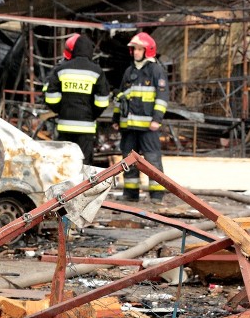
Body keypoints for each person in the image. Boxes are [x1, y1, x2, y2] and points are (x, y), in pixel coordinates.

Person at [112, 32, 169, 203]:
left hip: (147, 127)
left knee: (152, 161)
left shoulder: (156, 70)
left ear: (147, 51)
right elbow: (120, 98)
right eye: (134, 49)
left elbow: (162, 98)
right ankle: (130, 194)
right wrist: (116, 119)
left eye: (139, 49)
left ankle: (157, 195)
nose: (136, 52)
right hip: (128, 127)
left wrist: (157, 119)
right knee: (128, 161)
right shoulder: (129, 71)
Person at [42, 33, 110, 164]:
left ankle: (66, 185)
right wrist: (92, 114)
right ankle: (81, 185)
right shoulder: (96, 71)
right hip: (86, 128)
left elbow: (50, 97)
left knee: (64, 164)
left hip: (64, 126)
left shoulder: (61, 69)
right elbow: (102, 101)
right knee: (83, 165)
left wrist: (60, 110)